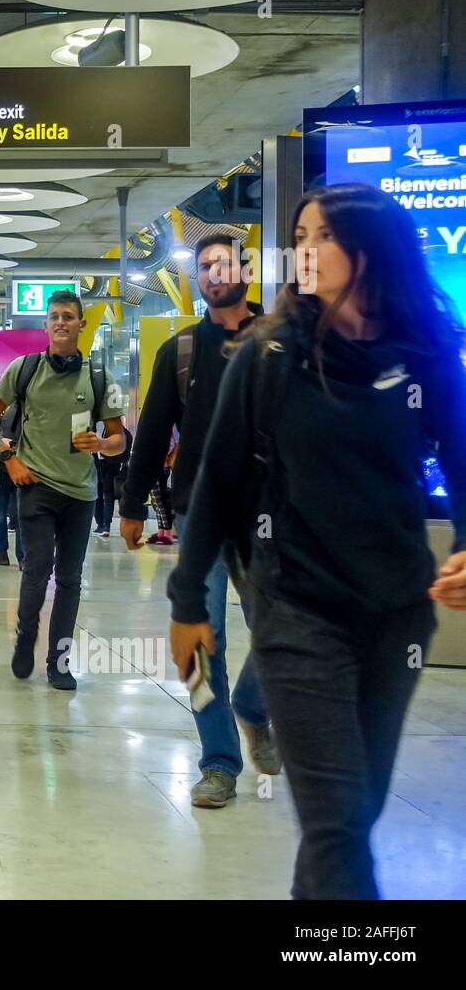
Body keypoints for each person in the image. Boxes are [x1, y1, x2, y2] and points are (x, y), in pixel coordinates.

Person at [169, 182, 466, 897]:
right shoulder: (268, 357)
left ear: (370, 249)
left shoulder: (424, 355)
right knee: (336, 823)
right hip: (297, 611)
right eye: (298, 237)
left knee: (351, 815)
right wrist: (187, 603)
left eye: (322, 236)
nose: (304, 251)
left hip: (396, 614)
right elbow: (217, 483)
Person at [121, 233, 274, 808]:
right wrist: (134, 506)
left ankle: (256, 708)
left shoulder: (281, 342)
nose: (213, 273)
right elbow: (154, 432)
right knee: (200, 641)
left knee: (283, 627)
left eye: (224, 262)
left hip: (267, 516)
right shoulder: (181, 351)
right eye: (204, 265)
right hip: (197, 515)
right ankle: (218, 761)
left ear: (247, 270)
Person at [0, 288, 127, 690]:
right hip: (35, 485)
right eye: (54, 316)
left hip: (82, 493)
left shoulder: (100, 375)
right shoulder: (24, 368)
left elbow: (121, 439)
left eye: (69, 316)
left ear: (81, 324)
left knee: (70, 578)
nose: (61, 323)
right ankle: (24, 637)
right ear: (46, 324)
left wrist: (103, 445)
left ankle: (60, 661)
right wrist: (9, 459)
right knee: (36, 570)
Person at [0, 401, 27, 564]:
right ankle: (1, 550)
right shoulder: (0, 407)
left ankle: (22, 556)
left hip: (24, 467)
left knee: (22, 515)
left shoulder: (32, 408)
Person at [94, 424, 132, 538]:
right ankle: (103, 525)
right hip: (113, 464)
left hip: (104, 464)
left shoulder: (100, 425)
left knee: (104, 494)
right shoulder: (121, 432)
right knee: (106, 494)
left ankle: (104, 525)